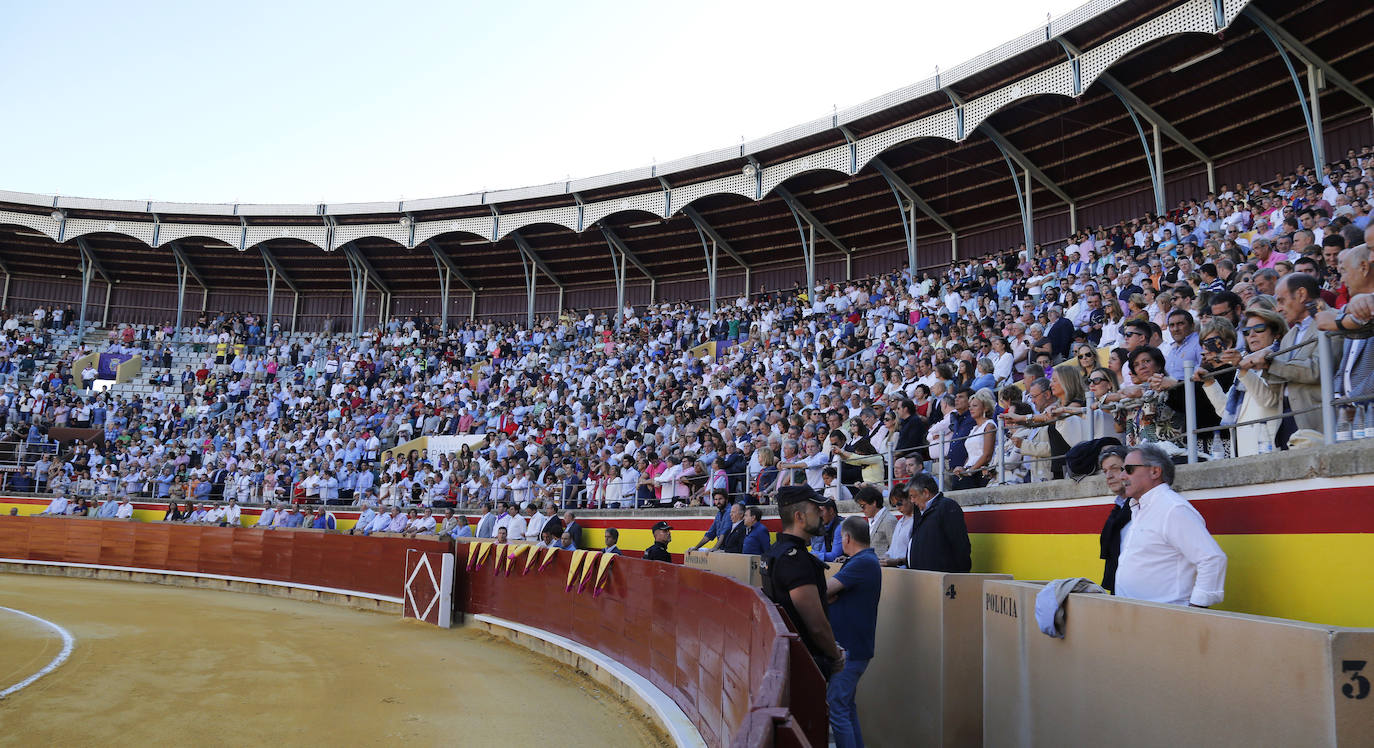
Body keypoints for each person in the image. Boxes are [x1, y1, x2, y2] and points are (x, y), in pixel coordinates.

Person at [1115, 444, 1227, 607]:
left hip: (1164, 619)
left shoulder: (1173, 509)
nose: (1122, 476)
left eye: (1129, 469)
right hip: (1136, 617)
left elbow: (1212, 558)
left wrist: (1196, 610)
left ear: (1155, 471)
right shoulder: (1140, 508)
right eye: (1122, 469)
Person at [760, 485, 845, 680]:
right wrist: (836, 656)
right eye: (816, 510)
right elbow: (816, 626)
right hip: (806, 664)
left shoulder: (775, 552)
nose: (821, 514)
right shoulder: (795, 559)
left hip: (788, 659)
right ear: (799, 517)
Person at [825, 516, 882, 748]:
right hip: (855, 646)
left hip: (850, 648)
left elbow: (824, 590)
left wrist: (828, 596)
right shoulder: (864, 561)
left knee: (838, 708)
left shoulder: (862, 562)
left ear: (847, 538)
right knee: (845, 707)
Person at [905, 473, 971, 573]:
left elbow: (960, 544)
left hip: (941, 577)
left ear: (926, 493)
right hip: (921, 577)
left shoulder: (947, 507)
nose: (912, 501)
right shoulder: (919, 510)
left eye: (913, 496)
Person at [1096, 446, 1132, 593]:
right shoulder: (1118, 508)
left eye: (1114, 468)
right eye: (1105, 471)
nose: (1109, 476)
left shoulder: (1143, 505)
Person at [854, 485, 895, 558]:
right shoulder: (871, 520)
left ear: (874, 503)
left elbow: (895, 550)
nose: (862, 509)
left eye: (863, 506)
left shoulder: (889, 521)